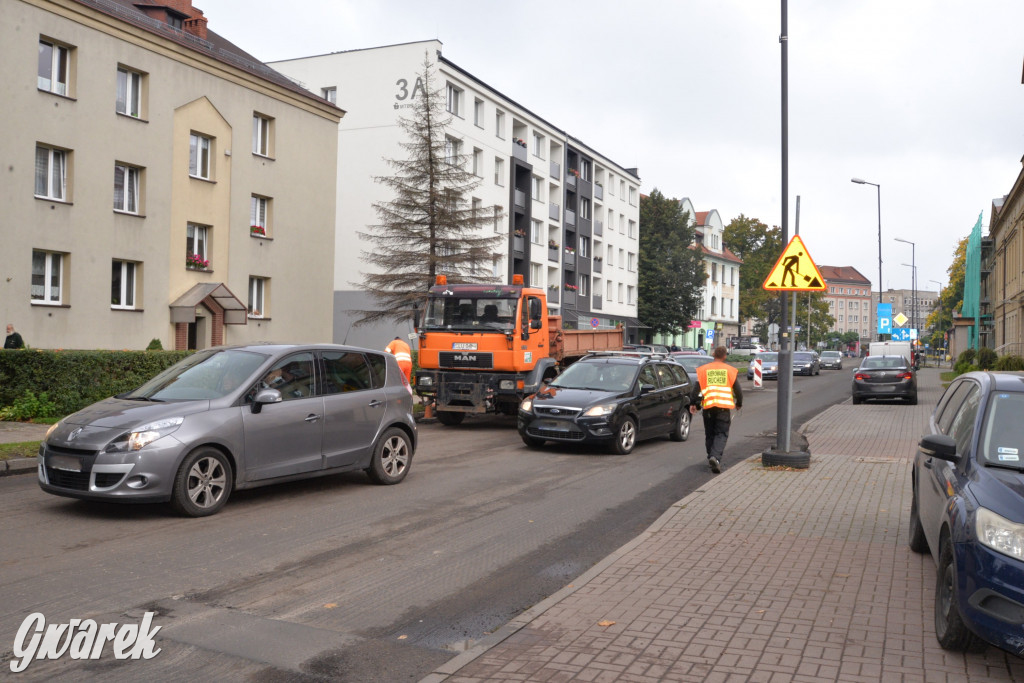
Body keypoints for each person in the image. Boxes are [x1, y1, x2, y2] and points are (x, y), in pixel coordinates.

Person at [689, 345, 743, 473]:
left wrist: (693, 403)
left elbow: (697, 388)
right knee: (721, 433)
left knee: (710, 434)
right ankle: (715, 457)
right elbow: (738, 390)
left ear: (713, 355)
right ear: (724, 356)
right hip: (723, 408)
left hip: (708, 407)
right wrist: (739, 403)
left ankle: (711, 457)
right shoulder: (730, 370)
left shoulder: (704, 370)